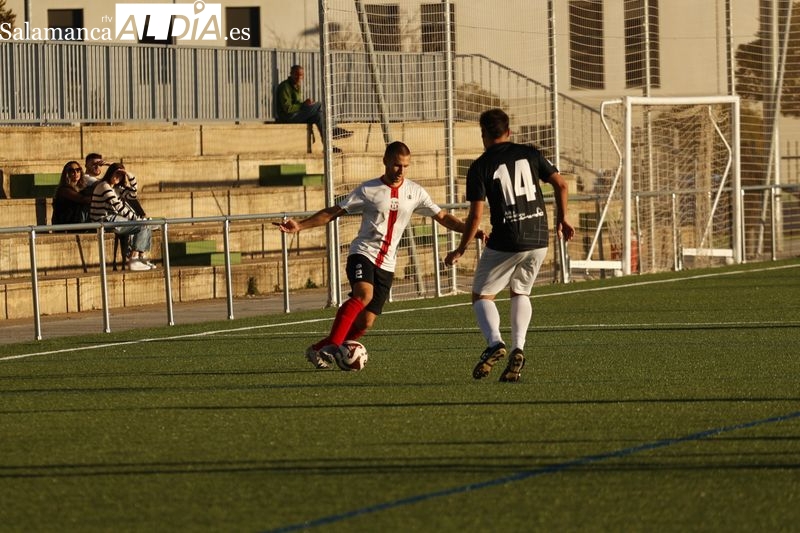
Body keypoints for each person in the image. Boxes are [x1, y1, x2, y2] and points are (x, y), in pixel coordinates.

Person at [276, 141, 484, 369]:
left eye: (405, 166)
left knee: (367, 321)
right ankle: (334, 346)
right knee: (363, 294)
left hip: (387, 262)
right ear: (385, 161)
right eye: (396, 165)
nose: (401, 171)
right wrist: (300, 225)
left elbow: (443, 217)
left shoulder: (415, 192)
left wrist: (470, 230)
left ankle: (318, 348)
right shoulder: (368, 189)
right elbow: (333, 212)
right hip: (363, 253)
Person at [445, 108, 575, 383]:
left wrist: (460, 249)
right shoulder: (531, 153)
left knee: (482, 296)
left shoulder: (479, 166)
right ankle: (519, 347)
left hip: (507, 238)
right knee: (521, 292)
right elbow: (561, 185)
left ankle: (495, 343)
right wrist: (562, 220)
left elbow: (476, 215)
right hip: (539, 236)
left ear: (483, 134)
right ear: (509, 131)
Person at [90, 162, 155, 271]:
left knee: (144, 224)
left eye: (120, 175)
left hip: (111, 218)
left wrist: (129, 175)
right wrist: (137, 220)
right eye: (116, 174)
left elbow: (133, 194)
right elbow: (119, 207)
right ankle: (134, 260)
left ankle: (140, 257)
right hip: (103, 220)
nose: (117, 177)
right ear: (110, 173)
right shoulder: (104, 186)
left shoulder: (116, 188)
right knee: (142, 224)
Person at [275, 65, 352, 146]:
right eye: (296, 74)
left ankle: (328, 146)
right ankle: (334, 129)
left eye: (301, 75)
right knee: (319, 105)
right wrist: (303, 105)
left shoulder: (296, 85)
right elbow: (288, 108)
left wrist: (304, 105)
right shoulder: (285, 86)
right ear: (291, 74)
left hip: (295, 114)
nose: (298, 77)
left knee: (319, 116)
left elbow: (298, 105)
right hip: (288, 117)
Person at [52, 161, 93, 226]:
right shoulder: (64, 190)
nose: (75, 173)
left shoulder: (83, 188)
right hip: (66, 226)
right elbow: (82, 199)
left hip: (78, 224)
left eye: (78, 170)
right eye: (72, 171)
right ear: (67, 173)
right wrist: (100, 196)